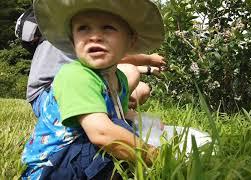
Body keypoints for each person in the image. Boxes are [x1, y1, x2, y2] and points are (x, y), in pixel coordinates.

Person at [21, 0, 165, 179]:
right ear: (73, 41)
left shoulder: (118, 78)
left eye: (107, 27)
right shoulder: (76, 75)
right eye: (83, 28)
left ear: (131, 41)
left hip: (78, 154)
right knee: (117, 133)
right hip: (53, 166)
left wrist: (148, 122)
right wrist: (156, 156)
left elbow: (120, 112)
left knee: (126, 126)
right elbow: (102, 133)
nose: (94, 36)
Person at [27, 39, 166, 111]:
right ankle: (109, 114)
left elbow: (110, 63)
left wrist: (148, 69)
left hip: (61, 88)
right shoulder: (84, 21)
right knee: (131, 72)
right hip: (46, 95)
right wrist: (149, 59)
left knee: (142, 90)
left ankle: (118, 110)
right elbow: (115, 57)